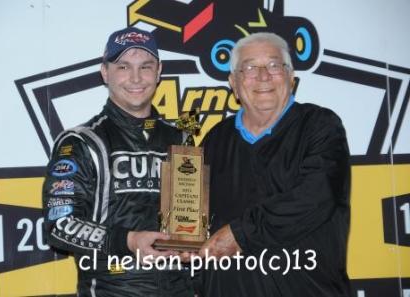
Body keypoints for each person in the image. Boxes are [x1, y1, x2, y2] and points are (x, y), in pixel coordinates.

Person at [42, 27, 193, 297]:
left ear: (159, 71)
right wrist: (128, 240)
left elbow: (190, 226)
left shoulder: (182, 140)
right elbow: (59, 226)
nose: (136, 78)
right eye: (123, 66)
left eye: (145, 66)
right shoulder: (79, 142)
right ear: (105, 72)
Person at [197, 32, 351, 297]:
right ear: (233, 82)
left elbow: (316, 197)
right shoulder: (214, 140)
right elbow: (199, 218)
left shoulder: (320, 126)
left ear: (291, 77)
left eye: (273, 65)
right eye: (249, 67)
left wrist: (240, 234)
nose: (263, 76)